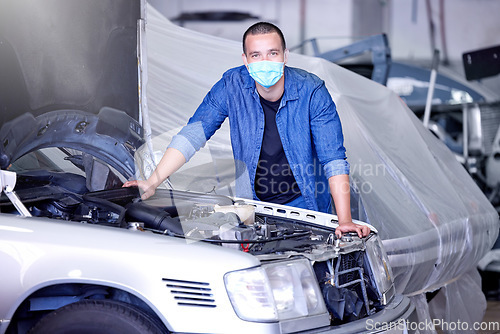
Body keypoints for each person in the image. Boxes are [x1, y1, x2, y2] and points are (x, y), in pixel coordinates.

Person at [124, 22, 370, 238]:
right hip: (253, 205)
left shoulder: (312, 91)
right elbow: (194, 134)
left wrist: (344, 220)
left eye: (272, 53)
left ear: (285, 55)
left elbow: (333, 159)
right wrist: (153, 182)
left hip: (306, 204)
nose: (264, 62)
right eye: (256, 55)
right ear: (245, 60)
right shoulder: (231, 85)